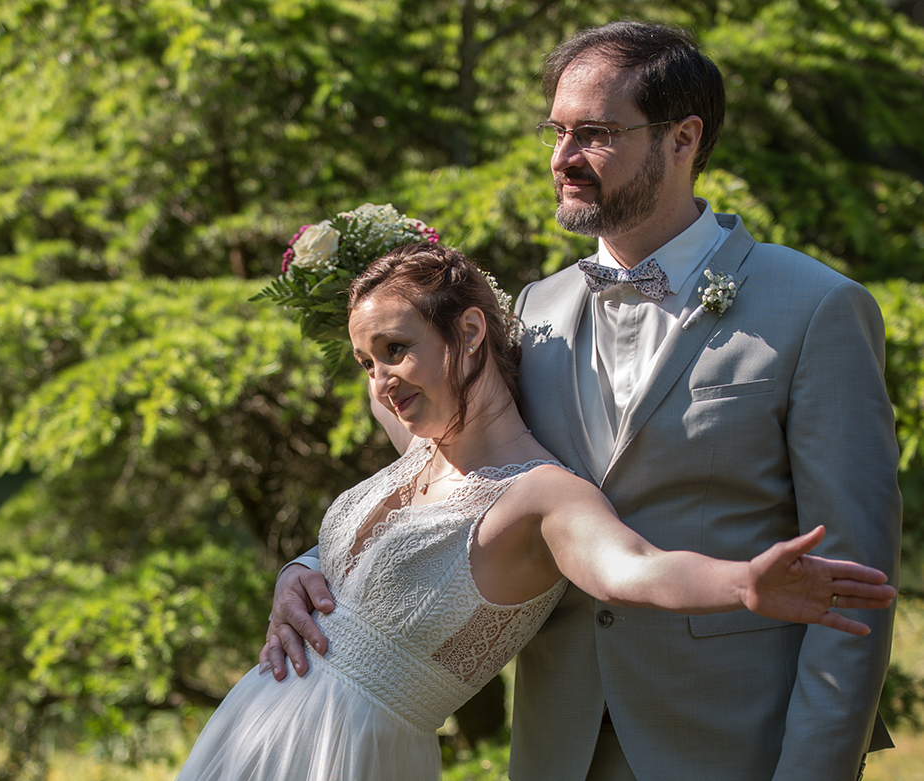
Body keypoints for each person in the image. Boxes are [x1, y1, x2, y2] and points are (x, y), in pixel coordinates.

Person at [264, 21, 902, 781]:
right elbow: (457, 476)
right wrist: (314, 564)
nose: (564, 159)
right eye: (557, 131)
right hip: (557, 748)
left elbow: (852, 585)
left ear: (683, 139)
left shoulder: (817, 308)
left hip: (737, 746)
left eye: (594, 133)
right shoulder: (533, 310)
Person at [180, 243, 896, 781]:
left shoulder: (542, 496)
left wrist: (743, 583)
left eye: (395, 350)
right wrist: (300, 569)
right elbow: (374, 540)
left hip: (355, 750)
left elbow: (630, 566)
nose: (381, 381)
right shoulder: (425, 442)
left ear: (468, 334)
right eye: (367, 361)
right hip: (258, 726)